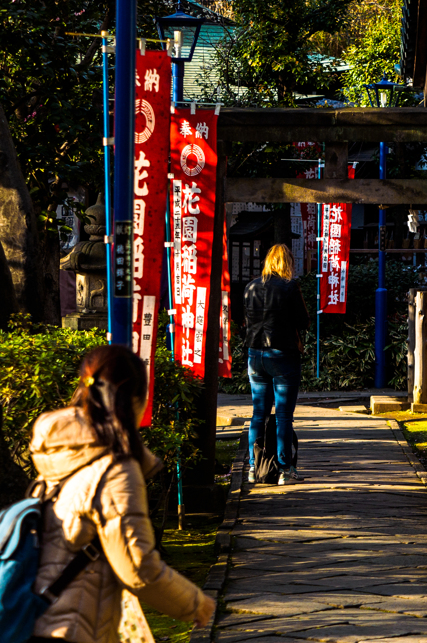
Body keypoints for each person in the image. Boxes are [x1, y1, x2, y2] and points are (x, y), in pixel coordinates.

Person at [28, 345, 215, 643]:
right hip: (71, 631)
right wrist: (196, 604)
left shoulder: (57, 459)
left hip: (31, 620)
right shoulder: (114, 469)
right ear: (137, 399)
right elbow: (137, 567)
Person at [244, 243, 310, 484]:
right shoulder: (290, 287)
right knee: (283, 415)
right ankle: (284, 469)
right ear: (287, 263)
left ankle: (253, 467)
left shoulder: (250, 286)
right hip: (282, 354)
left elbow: (248, 321)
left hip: (255, 355)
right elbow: (303, 321)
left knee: (258, 414)